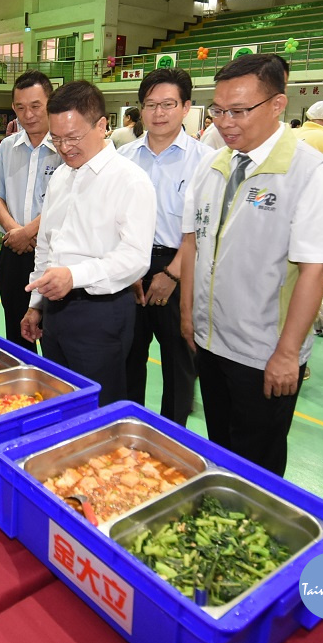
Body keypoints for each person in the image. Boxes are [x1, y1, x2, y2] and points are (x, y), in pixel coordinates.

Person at [179, 53, 323, 476]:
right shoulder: (212, 166)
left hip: (264, 353)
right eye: (218, 110)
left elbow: (315, 270)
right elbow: (194, 245)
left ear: (277, 105)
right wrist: (188, 318)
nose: (225, 122)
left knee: (258, 468)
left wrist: (288, 354)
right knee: (220, 451)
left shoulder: (311, 172)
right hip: (211, 342)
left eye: (238, 111)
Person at [21, 80, 155, 405]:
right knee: (59, 399)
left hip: (102, 311)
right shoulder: (62, 177)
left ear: (101, 125)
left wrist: (74, 276)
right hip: (56, 307)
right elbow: (47, 245)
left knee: (98, 409)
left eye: (73, 137)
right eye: (57, 138)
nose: (65, 147)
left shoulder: (129, 180)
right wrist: (36, 304)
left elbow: (135, 258)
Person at [119, 68, 211, 426]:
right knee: (128, 359)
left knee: (179, 363)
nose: (159, 113)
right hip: (130, 268)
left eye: (168, 104)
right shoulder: (123, 158)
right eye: (150, 104)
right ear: (141, 109)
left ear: (186, 107)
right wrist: (127, 272)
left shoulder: (206, 161)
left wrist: (172, 274)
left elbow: (205, 231)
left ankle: (173, 438)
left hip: (180, 267)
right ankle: (129, 433)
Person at [0, 70, 62, 352]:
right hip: (14, 253)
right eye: (20, 107)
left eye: (35, 106)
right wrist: (15, 231)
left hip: (54, 256)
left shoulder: (66, 145)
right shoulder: (8, 147)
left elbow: (67, 201)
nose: (27, 115)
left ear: (50, 102)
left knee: (54, 338)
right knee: (17, 335)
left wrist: (28, 231)